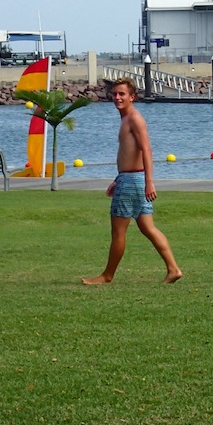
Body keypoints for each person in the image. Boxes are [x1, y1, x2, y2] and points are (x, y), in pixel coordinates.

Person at [82, 78, 182, 285]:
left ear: (132, 97)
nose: (117, 98)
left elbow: (146, 150)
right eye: (115, 94)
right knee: (148, 228)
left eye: (122, 94)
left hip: (133, 181)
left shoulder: (135, 119)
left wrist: (149, 182)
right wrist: (118, 179)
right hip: (130, 179)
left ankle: (107, 276)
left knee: (118, 232)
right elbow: (129, 154)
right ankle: (173, 269)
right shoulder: (126, 119)